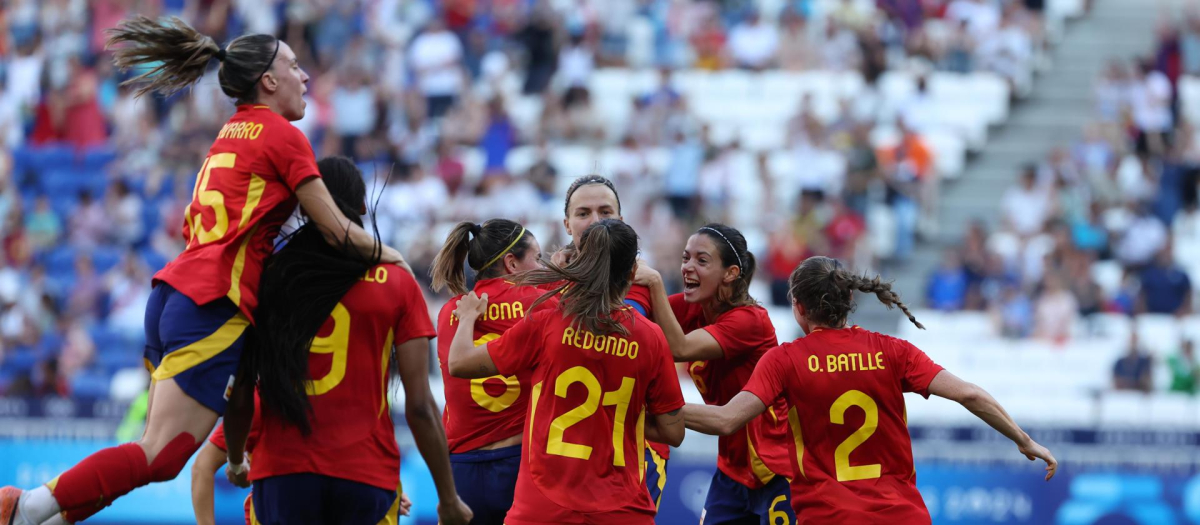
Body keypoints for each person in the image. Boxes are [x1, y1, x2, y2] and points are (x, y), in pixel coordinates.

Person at [1, 16, 407, 525]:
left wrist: (236, 459)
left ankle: (51, 517)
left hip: (183, 293)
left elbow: (240, 392)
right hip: (214, 300)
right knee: (160, 455)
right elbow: (336, 229)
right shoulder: (282, 135)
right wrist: (391, 256)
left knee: (159, 452)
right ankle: (25, 507)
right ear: (269, 80)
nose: (305, 77)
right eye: (295, 65)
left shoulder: (229, 132)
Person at [683, 257, 1058, 521]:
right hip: (903, 516)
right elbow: (969, 394)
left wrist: (657, 410)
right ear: (850, 300)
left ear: (798, 307)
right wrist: (1023, 440)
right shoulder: (892, 351)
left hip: (828, 516)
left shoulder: (785, 360)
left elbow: (727, 420)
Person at [190, 157, 458, 525]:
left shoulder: (267, 278)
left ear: (304, 206)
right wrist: (448, 498)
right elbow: (420, 407)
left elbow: (240, 393)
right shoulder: (397, 281)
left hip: (283, 473)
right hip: (364, 474)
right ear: (363, 206)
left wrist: (236, 459)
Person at [446, 220, 686, 524]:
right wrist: (617, 415)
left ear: (581, 265)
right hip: (621, 509)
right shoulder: (650, 338)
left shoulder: (547, 322)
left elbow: (460, 363)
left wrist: (467, 318)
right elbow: (673, 432)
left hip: (541, 508)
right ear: (632, 274)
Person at [633, 223, 797, 524]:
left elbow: (678, 348)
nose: (687, 268)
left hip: (778, 470)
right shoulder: (693, 307)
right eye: (685, 258)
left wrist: (655, 282)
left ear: (731, 273)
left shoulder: (751, 321)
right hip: (732, 472)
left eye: (701, 260)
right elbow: (636, 325)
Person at [551, 174, 674, 506]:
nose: (595, 222)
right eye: (583, 213)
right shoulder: (546, 283)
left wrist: (658, 284)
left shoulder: (641, 282)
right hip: (561, 452)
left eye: (605, 212)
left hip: (632, 453)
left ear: (620, 219)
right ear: (567, 223)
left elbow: (672, 351)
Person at [429, 219, 549, 525]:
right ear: (511, 263)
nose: (544, 267)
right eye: (538, 257)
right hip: (521, 465)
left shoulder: (450, 312)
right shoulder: (542, 305)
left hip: (462, 470)